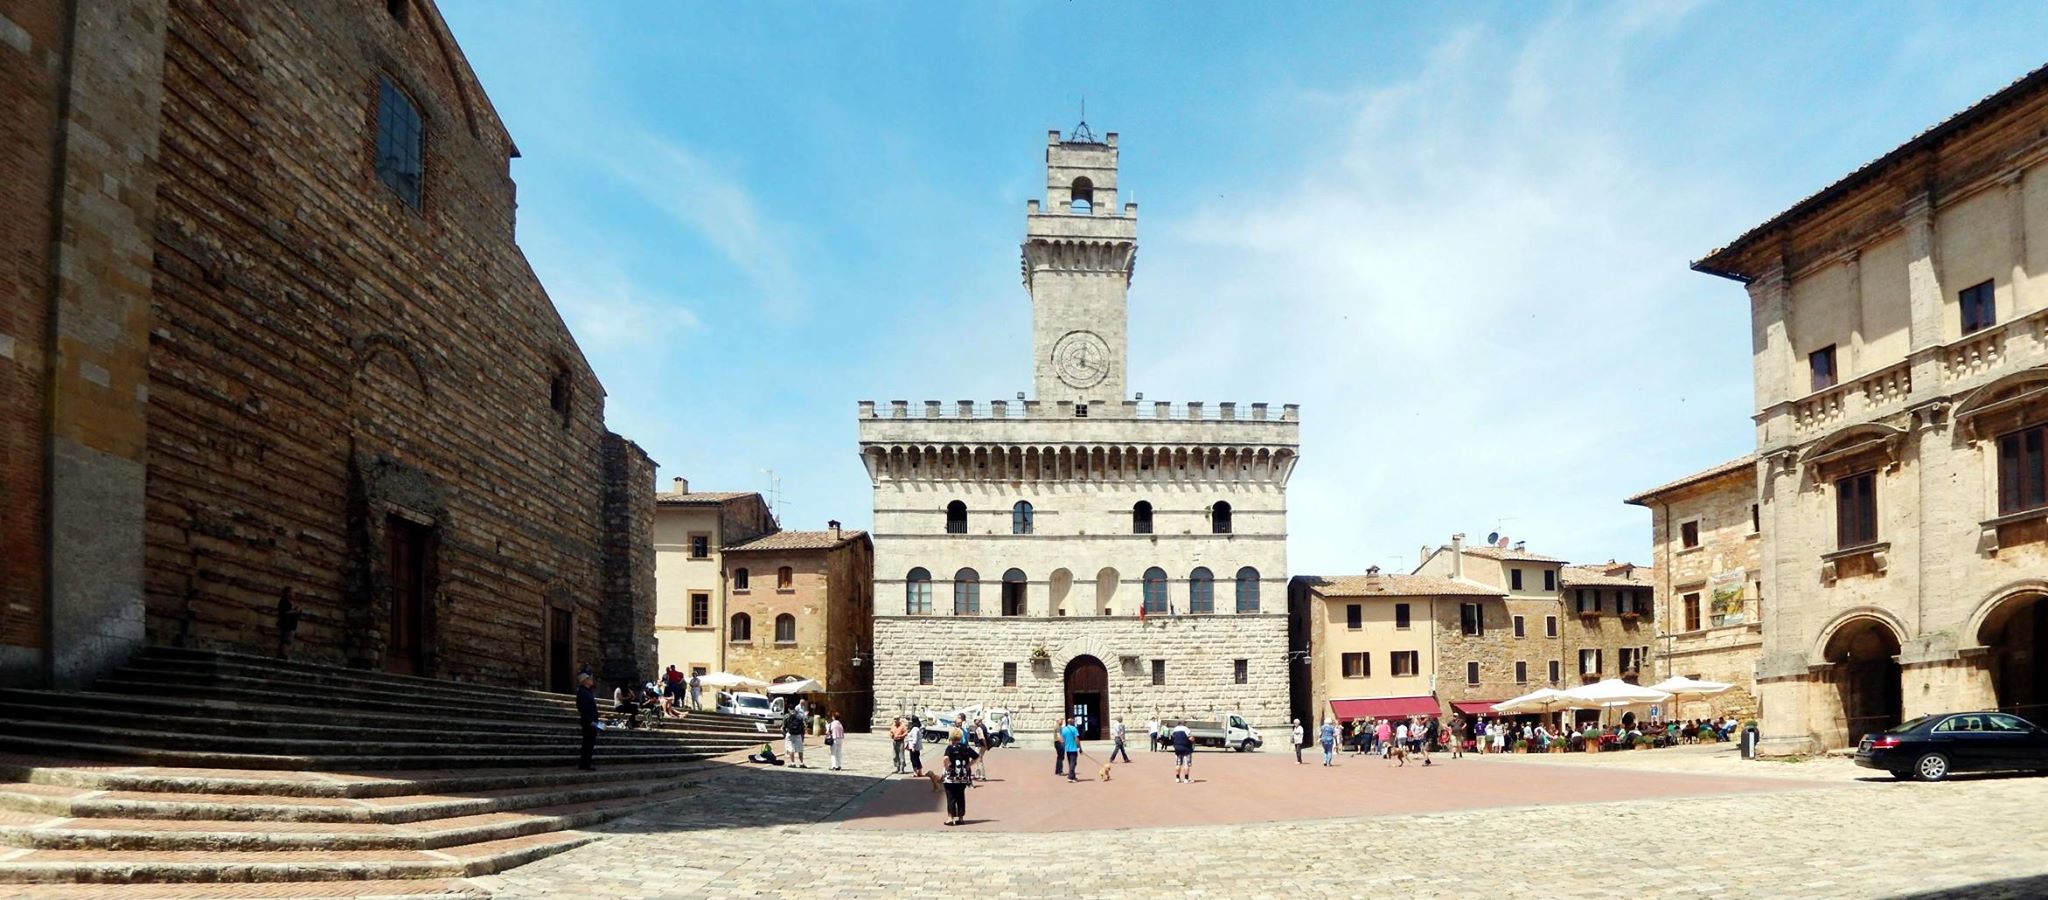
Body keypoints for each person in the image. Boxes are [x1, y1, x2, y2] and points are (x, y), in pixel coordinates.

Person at [941, 728, 979, 827]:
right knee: (960, 796)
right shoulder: (965, 747)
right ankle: (961, 818)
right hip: (963, 776)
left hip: (951, 777)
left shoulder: (950, 747)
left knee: (951, 797)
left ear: (951, 737)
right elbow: (976, 757)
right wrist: (968, 765)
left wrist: (946, 767)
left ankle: (950, 818)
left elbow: (945, 759)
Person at [575, 670, 599, 771]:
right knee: (587, 744)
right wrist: (590, 721)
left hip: (592, 721)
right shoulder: (582, 692)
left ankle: (585, 764)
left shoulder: (587, 692)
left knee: (589, 743)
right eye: (589, 678)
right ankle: (585, 764)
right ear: (585, 680)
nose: (591, 680)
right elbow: (583, 709)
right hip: (589, 722)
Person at [274, 588, 303, 659]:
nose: (294, 594)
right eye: (292, 592)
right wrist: (296, 611)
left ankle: (282, 654)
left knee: (286, 639)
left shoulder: (287, 601)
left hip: (289, 624)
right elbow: (285, 612)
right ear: (288, 593)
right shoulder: (284, 601)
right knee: (287, 640)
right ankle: (284, 655)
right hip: (287, 624)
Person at [1059, 716, 1081, 783]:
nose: (1074, 722)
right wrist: (1079, 747)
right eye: (1073, 721)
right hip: (1073, 749)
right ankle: (1070, 777)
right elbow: (1077, 739)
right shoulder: (1074, 729)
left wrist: (1063, 746)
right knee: (1073, 763)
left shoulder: (1064, 729)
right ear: (1071, 722)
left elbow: (1061, 739)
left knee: (1070, 763)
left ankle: (1073, 776)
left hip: (1067, 749)